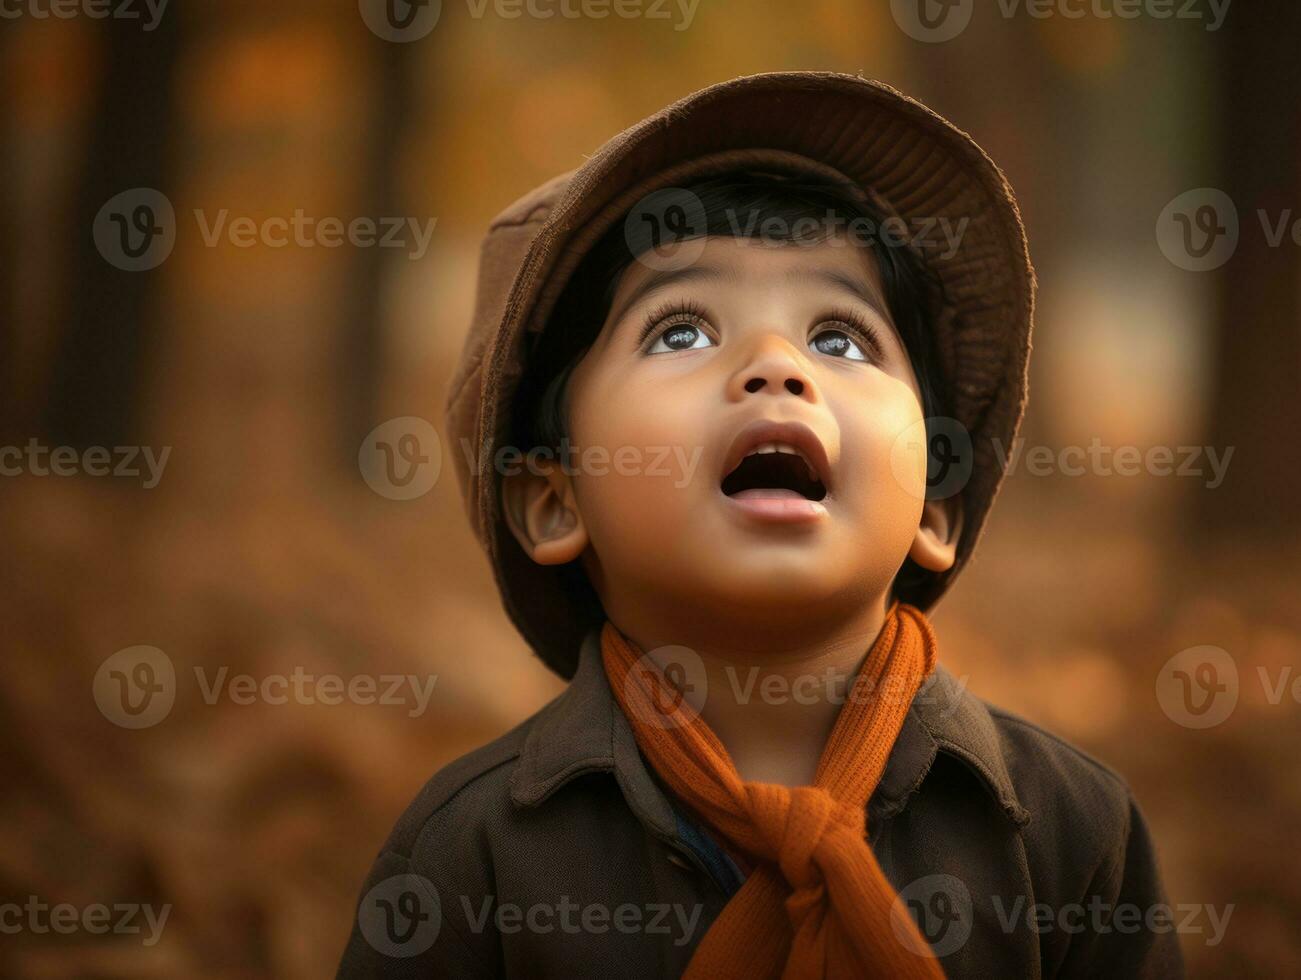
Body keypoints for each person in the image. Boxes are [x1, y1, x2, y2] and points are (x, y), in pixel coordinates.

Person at [337, 71, 1183, 979]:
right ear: (555, 499)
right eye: (680, 332)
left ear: (936, 506)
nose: (774, 365)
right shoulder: (474, 858)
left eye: (840, 339)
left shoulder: (1065, 835)